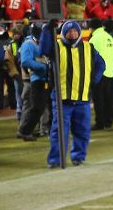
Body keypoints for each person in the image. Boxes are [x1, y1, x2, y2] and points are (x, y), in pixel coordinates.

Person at [39, 19, 104, 168]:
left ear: (79, 32)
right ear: (63, 33)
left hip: (82, 98)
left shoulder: (89, 47)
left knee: (82, 130)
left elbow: (101, 64)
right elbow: (43, 49)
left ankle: (78, 157)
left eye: (74, 30)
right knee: (59, 131)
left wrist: (93, 80)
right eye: (68, 31)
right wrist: (48, 29)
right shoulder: (57, 47)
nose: (72, 33)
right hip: (63, 98)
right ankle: (56, 159)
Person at [17, 22, 50, 141]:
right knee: (37, 107)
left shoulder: (42, 42)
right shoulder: (29, 44)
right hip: (38, 79)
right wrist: (42, 67)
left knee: (47, 107)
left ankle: (49, 129)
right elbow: (25, 61)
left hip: (47, 78)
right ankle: (24, 130)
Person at [88, 19, 113, 130]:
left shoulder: (94, 38)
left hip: (99, 73)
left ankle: (100, 122)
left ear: (91, 27)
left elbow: (90, 56)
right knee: (108, 98)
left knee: (98, 99)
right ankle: (108, 121)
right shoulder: (108, 36)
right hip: (109, 71)